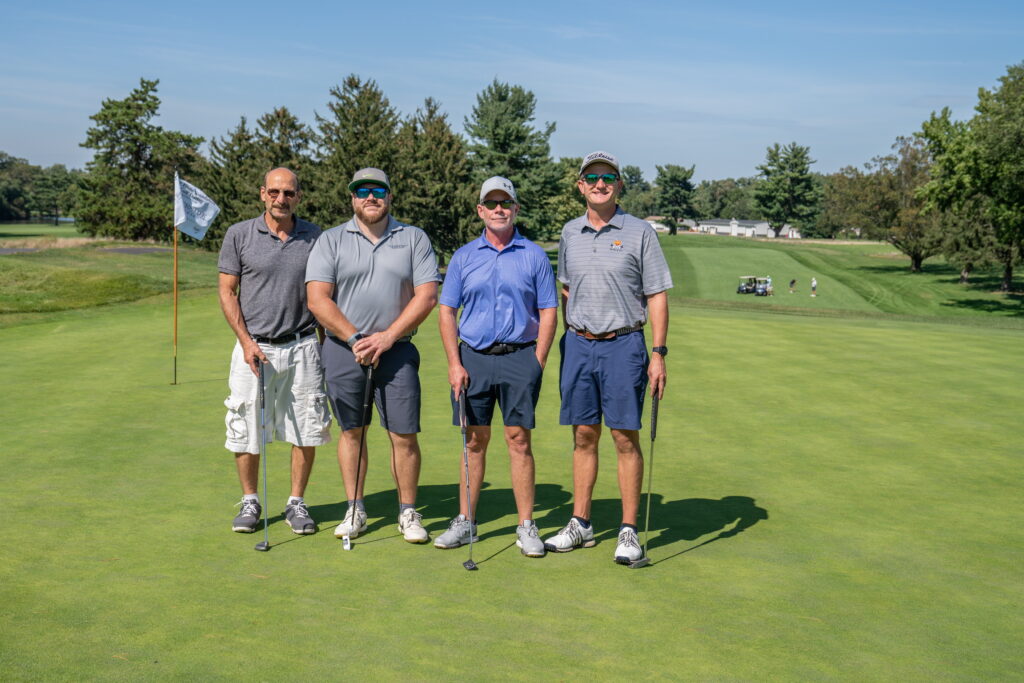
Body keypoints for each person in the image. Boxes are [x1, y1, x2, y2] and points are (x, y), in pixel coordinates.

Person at [546, 151, 673, 565]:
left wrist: (658, 353)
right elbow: (566, 289)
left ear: (619, 184)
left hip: (624, 344)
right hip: (579, 344)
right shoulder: (570, 232)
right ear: (580, 185)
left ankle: (628, 530)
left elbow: (656, 295)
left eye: (608, 177)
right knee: (583, 434)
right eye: (592, 177)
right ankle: (581, 523)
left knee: (623, 436)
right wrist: (571, 336)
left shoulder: (640, 233)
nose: (600, 184)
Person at [305, 168, 440, 544]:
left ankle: (407, 512)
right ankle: (355, 508)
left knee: (404, 435)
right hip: (343, 350)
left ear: (389, 196)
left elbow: (426, 296)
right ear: (352, 198)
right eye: (362, 191)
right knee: (352, 433)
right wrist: (356, 339)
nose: (370, 197)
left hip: (396, 351)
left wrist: (386, 338)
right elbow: (317, 299)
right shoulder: (331, 240)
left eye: (377, 190)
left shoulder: (413, 238)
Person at [435, 177, 558, 558]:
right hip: (472, 357)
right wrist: (454, 363)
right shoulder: (464, 256)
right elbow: (446, 311)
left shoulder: (534, 255)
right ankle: (466, 520)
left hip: (520, 356)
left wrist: (537, 361)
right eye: (492, 203)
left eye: (506, 203)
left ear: (516, 209)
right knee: (473, 439)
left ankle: (526, 526)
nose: (499, 209)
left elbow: (548, 310)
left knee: (518, 440)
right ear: (481, 211)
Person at [218, 167, 332, 536]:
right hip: (254, 348)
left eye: (288, 193)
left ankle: (296, 502)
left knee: (307, 427)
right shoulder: (239, 234)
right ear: (262, 194)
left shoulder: (315, 237)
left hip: (302, 345)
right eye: (274, 192)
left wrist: (325, 344)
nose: (281, 199)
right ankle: (250, 500)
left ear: (299, 197)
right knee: (245, 426)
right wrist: (246, 341)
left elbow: (326, 293)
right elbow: (227, 291)